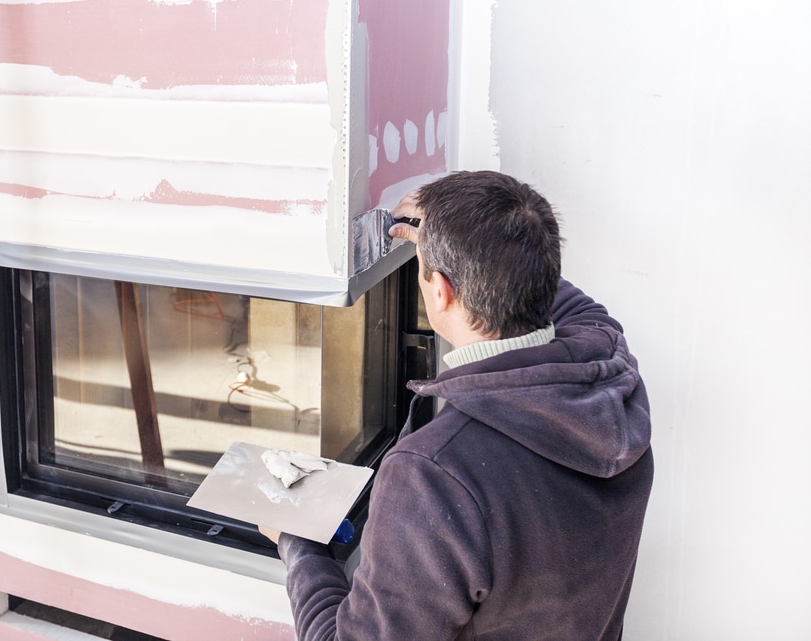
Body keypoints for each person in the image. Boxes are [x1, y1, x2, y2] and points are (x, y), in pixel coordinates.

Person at [260, 170, 654, 640]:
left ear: (441, 290)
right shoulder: (612, 376)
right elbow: (573, 306)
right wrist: (482, 245)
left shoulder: (434, 473)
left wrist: (297, 543)